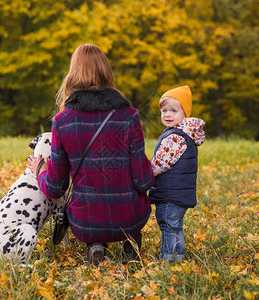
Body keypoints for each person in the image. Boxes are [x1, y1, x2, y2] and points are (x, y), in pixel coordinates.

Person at [26, 43, 154, 266]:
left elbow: (56, 187)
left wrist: (40, 169)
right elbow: (143, 181)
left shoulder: (63, 121)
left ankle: (96, 244)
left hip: (85, 222)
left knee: (93, 214)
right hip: (131, 217)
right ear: (106, 72)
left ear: (73, 75)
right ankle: (130, 244)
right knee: (132, 215)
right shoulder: (129, 117)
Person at [148, 85, 205, 262]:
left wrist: (144, 172)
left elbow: (160, 164)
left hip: (170, 194)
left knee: (168, 225)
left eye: (173, 110)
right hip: (177, 192)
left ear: (185, 113)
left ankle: (170, 260)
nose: (167, 114)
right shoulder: (182, 133)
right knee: (173, 225)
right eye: (164, 110)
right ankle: (175, 257)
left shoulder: (175, 137)